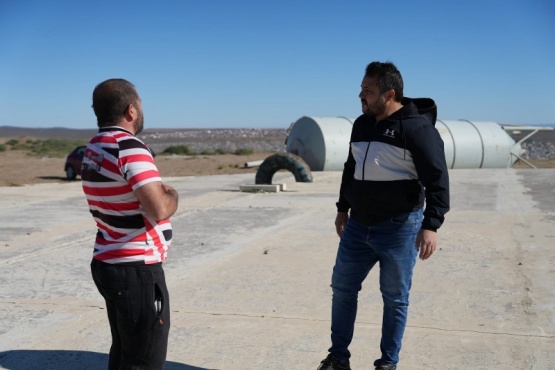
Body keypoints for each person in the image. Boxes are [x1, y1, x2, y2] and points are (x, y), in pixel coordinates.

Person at [317, 62, 450, 370]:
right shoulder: (362, 124)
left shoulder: (417, 129)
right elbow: (351, 169)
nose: (361, 95)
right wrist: (342, 208)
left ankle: (387, 364)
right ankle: (338, 358)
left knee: (394, 299)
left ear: (389, 94)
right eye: (362, 88)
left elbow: (438, 179)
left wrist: (431, 225)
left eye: (368, 90)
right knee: (342, 289)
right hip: (357, 226)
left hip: (399, 228)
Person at [81, 78, 179, 370]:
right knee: (144, 360)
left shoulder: (95, 147)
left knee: (125, 354)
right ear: (131, 110)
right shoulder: (129, 147)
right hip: (136, 270)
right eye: (140, 104)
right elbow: (159, 207)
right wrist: (172, 193)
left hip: (110, 262)